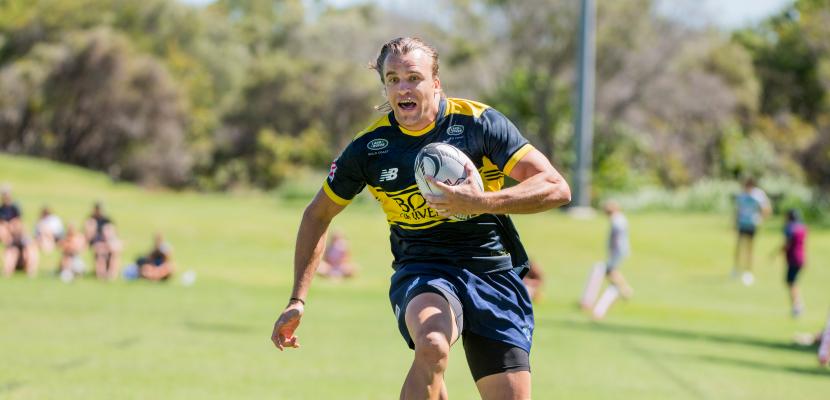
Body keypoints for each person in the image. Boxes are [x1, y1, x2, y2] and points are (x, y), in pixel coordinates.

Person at [271, 37, 571, 399]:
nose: (402, 88)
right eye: (393, 79)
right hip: (424, 268)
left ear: (435, 83)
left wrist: (480, 203)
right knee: (432, 343)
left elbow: (556, 187)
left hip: (492, 271)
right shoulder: (370, 148)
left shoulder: (478, 123)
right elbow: (317, 214)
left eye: (413, 77)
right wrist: (296, 300)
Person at [580, 200, 633, 320]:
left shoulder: (617, 221)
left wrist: (612, 250)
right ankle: (624, 289)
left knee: (610, 271)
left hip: (617, 251)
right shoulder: (620, 218)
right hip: (619, 251)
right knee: (611, 271)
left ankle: (625, 289)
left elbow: (617, 238)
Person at [733, 177, 771, 285]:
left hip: (752, 224)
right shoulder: (742, 195)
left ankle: (748, 271)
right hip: (742, 223)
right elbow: (738, 209)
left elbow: (767, 209)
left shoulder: (758, 195)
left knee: (750, 248)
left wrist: (760, 218)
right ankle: (736, 269)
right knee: (739, 247)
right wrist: (735, 222)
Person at [779, 209, 807, 317]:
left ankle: (797, 306)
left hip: (793, 258)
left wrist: (777, 253)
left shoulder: (790, 228)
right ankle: (798, 304)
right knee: (793, 282)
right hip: (801, 258)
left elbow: (787, 243)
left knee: (791, 282)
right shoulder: (802, 227)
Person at [84, 202, 122, 280]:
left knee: (114, 251)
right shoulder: (91, 220)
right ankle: (101, 275)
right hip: (97, 243)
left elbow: (113, 234)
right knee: (100, 253)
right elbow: (89, 237)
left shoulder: (107, 220)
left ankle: (112, 274)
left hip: (108, 243)